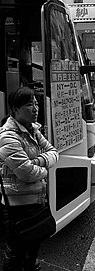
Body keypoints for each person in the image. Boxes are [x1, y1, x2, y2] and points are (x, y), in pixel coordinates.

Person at [0, 86, 59, 271]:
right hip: (17, 206)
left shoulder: (33, 130)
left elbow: (54, 153)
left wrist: (37, 161)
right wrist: (45, 171)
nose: (35, 108)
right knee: (16, 251)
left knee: (33, 245)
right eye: (29, 105)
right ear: (15, 109)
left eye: (35, 103)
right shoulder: (7, 136)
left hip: (36, 200)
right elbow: (26, 173)